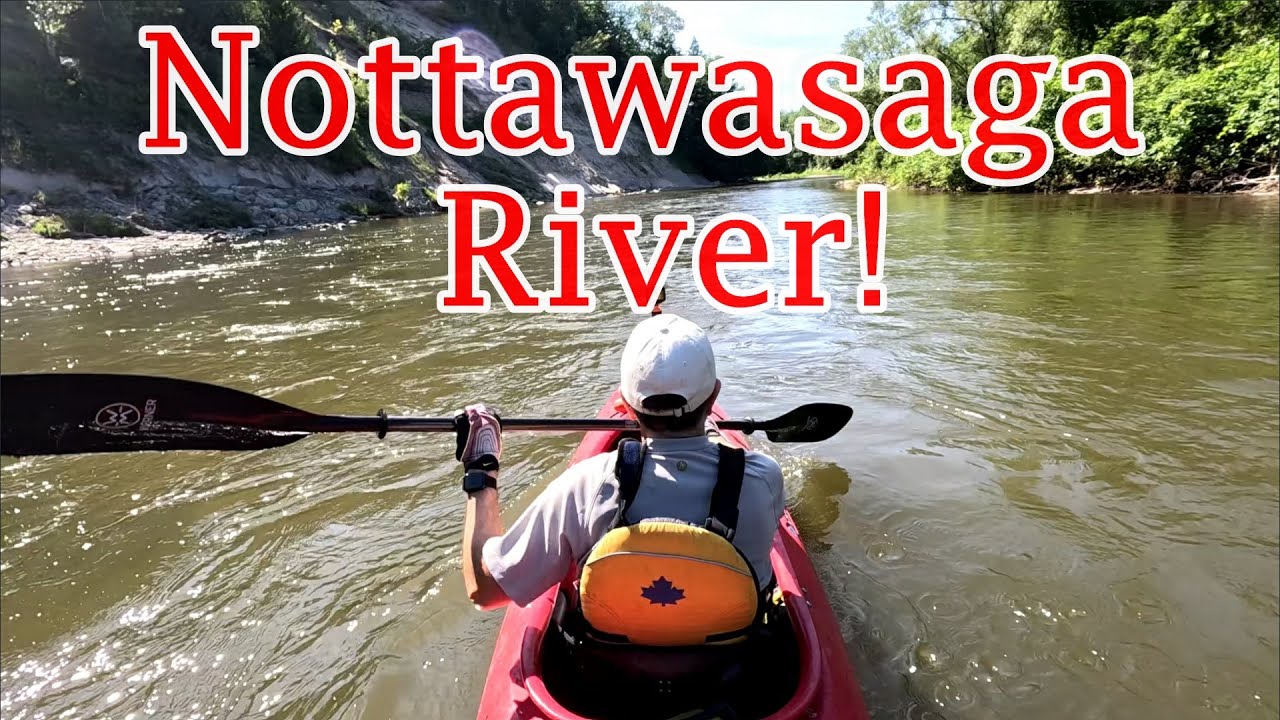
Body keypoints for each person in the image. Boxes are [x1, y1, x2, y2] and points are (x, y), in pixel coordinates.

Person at [456, 313, 786, 647]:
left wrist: (481, 470)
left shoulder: (586, 485)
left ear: (626, 406)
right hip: (729, 673)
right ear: (714, 397)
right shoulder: (763, 479)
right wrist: (709, 434)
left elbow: (484, 591)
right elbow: (722, 464)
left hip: (610, 676)